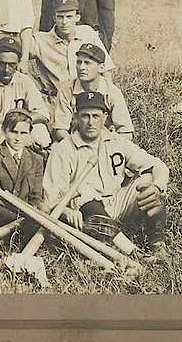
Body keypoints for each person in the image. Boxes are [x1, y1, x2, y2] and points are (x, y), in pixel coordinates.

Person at [42, 91, 170, 262]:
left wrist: (156, 187)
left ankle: (157, 245)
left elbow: (158, 165)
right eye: (85, 116)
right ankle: (131, 252)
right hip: (86, 214)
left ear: (105, 116)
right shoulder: (63, 149)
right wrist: (66, 211)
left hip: (116, 203)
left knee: (148, 181)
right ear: (76, 117)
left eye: (96, 116)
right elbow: (51, 197)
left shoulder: (116, 141)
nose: (90, 122)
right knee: (85, 192)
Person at [0, 37, 52, 148]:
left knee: (40, 131)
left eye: (12, 65)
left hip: (21, 128)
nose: (6, 69)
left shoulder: (25, 81)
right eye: (2, 64)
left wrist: (19, 122)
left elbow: (43, 114)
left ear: (18, 63)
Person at [30, 0, 114, 101]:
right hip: (55, 100)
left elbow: (106, 69)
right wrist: (34, 86)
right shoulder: (40, 40)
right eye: (60, 17)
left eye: (69, 17)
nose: (64, 22)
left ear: (77, 17)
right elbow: (14, 58)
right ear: (54, 18)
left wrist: (108, 97)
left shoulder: (87, 33)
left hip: (86, 100)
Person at [53, 43, 134, 141]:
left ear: (101, 67)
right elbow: (60, 130)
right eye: (79, 62)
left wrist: (106, 147)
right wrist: (78, 146)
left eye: (87, 63)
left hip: (106, 143)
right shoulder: (66, 90)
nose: (81, 67)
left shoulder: (112, 92)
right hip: (74, 143)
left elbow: (126, 132)